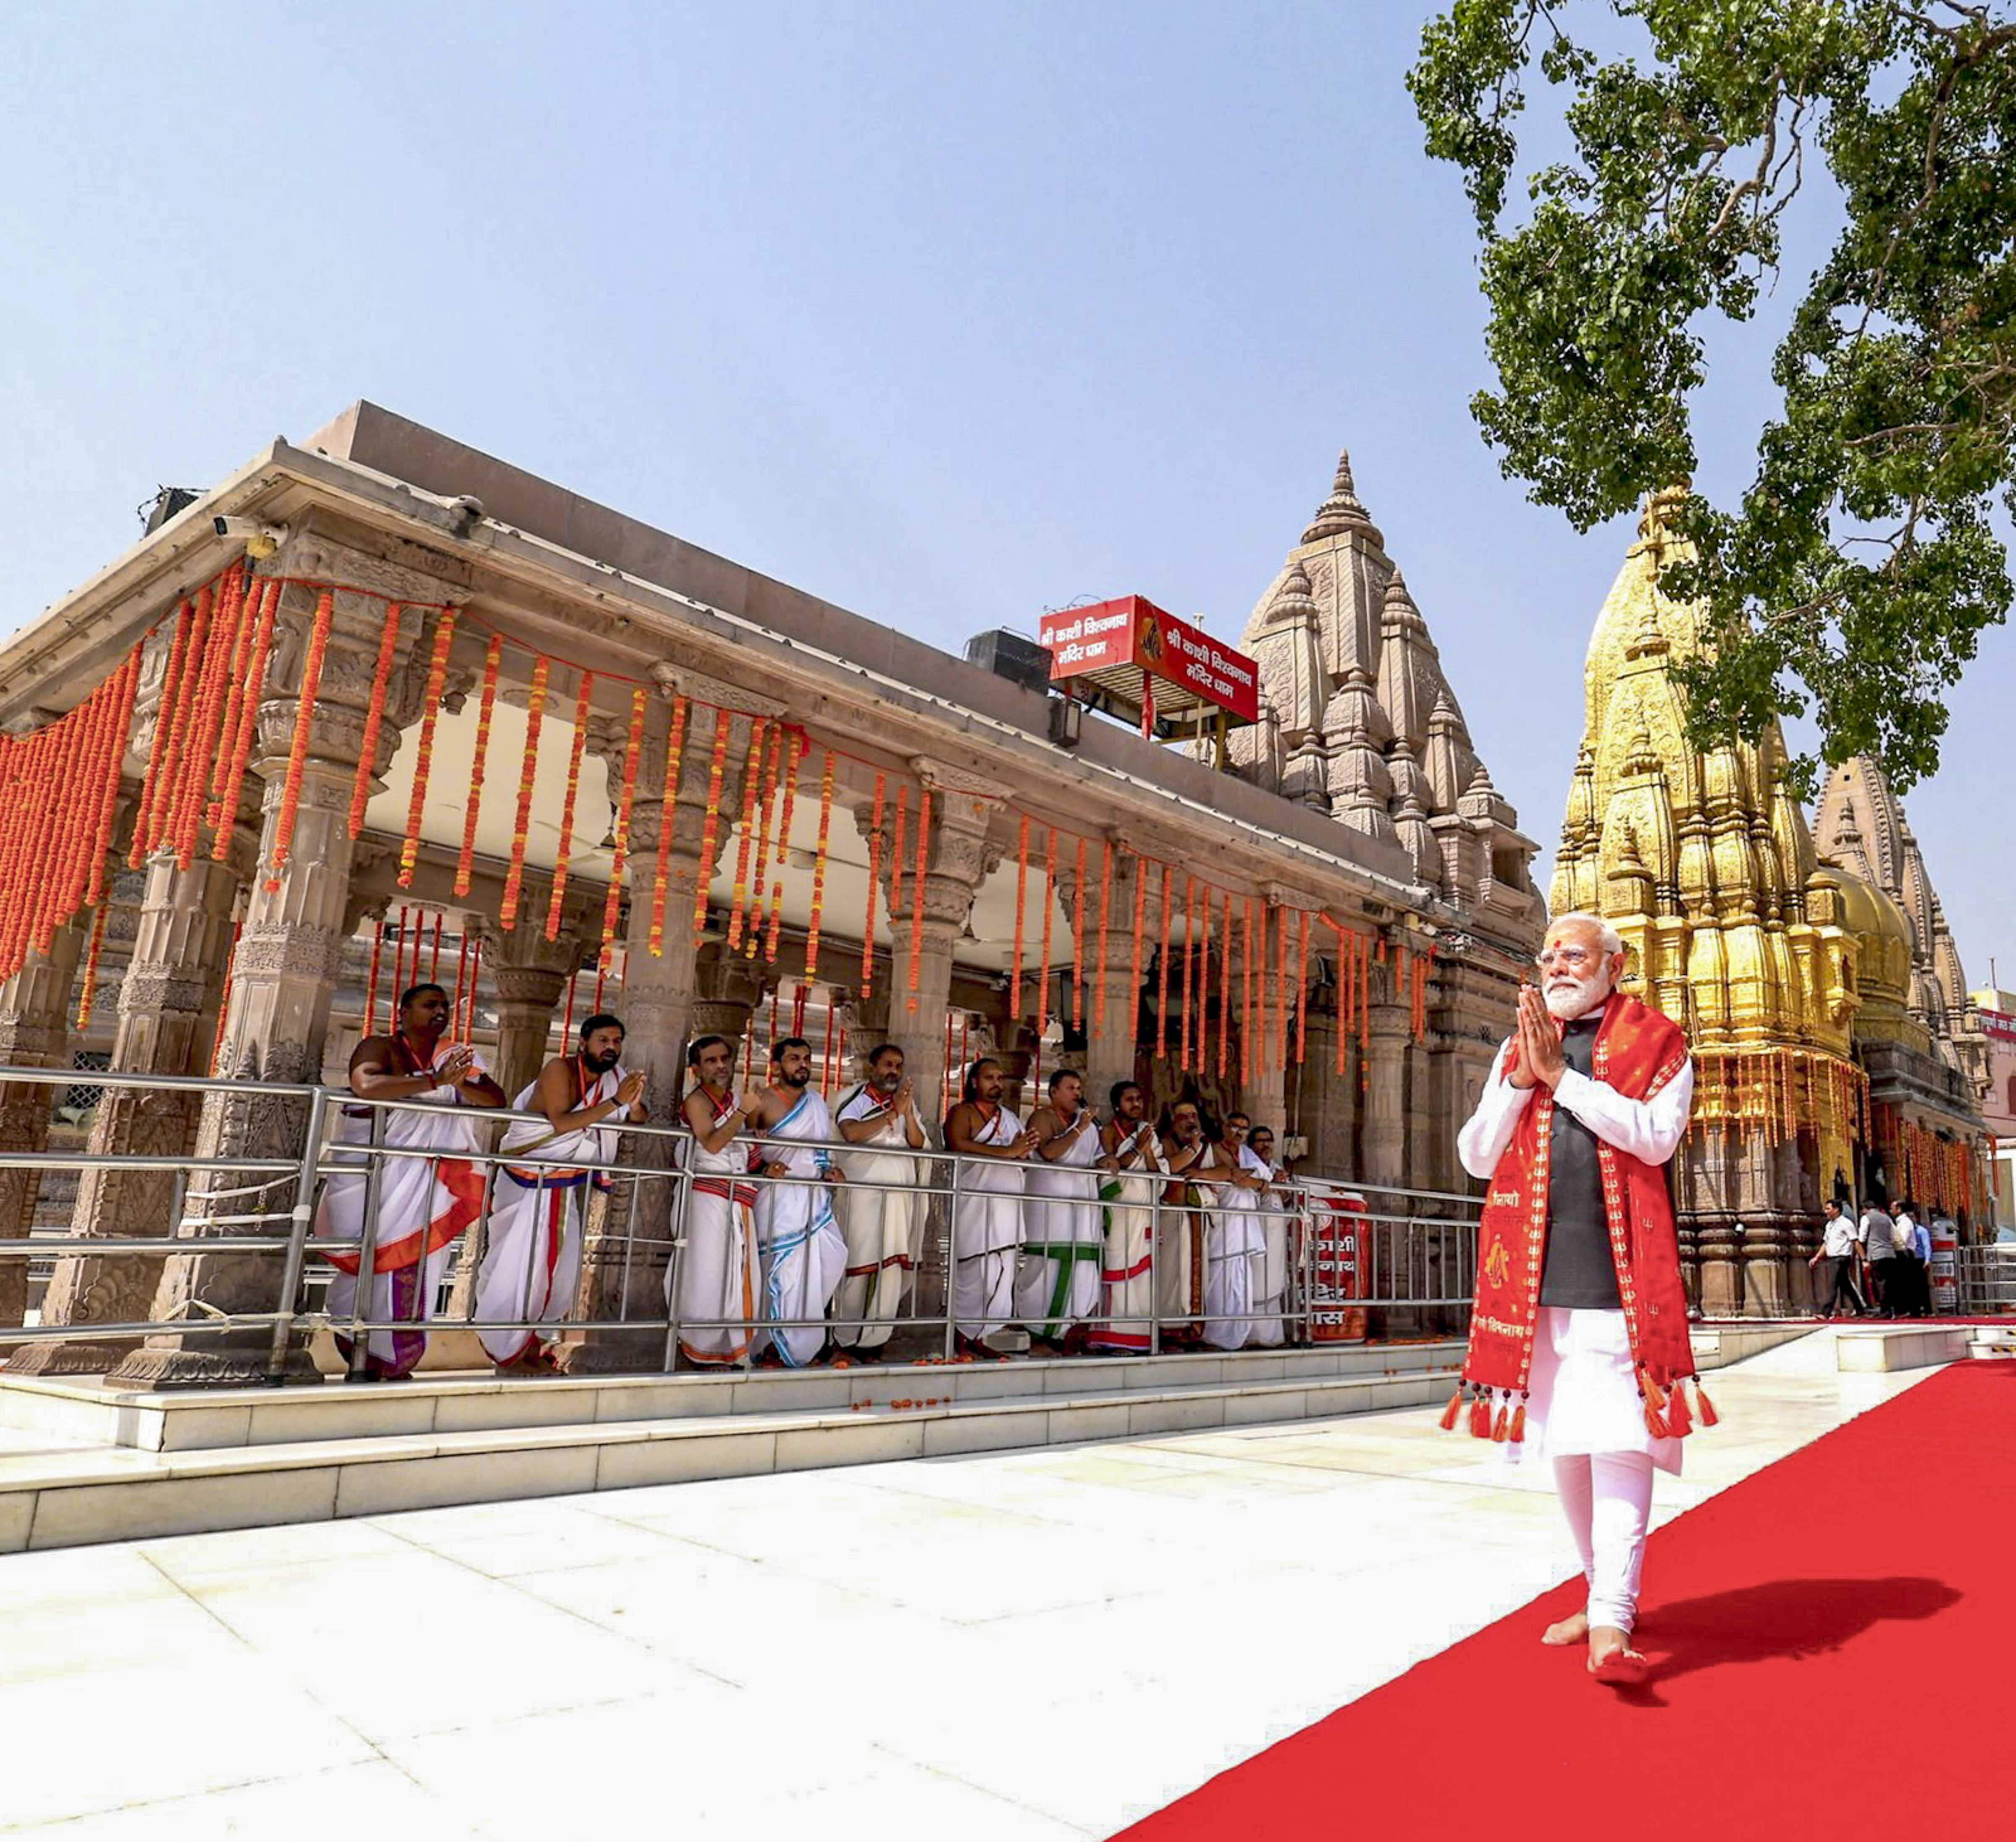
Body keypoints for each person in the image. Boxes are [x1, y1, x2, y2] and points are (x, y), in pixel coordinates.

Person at [1454, 912, 1706, 1685]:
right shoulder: (1519, 1045)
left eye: (1573, 955)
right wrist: (1521, 1082)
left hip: (1617, 1275)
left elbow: (1655, 1138)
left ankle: (1612, 1618)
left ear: (1613, 965)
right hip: (1530, 1279)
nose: (1558, 966)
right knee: (1564, 1437)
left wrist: (1564, 1081)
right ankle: (1603, 1595)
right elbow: (1476, 1156)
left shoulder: (1660, 1043)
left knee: (1619, 1436)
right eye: (1549, 956)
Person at [315, 983, 506, 1380]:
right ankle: (360, 1352)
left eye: (444, 1006)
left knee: (420, 1265)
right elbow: (366, 1085)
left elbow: (496, 1100)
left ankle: (396, 1359)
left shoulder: (454, 1055)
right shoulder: (379, 1046)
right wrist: (434, 1082)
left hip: (425, 1183)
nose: (440, 1012)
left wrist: (457, 1082)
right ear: (403, 1012)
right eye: (429, 1005)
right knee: (368, 1256)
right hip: (377, 1174)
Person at [473, 1014, 645, 1373]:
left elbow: (637, 1119)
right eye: (603, 1040)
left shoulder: (614, 1079)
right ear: (583, 1043)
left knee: (558, 1271)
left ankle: (533, 1350)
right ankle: (508, 1354)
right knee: (520, 1266)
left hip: (563, 1183)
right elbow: (562, 1123)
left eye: (616, 1041)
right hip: (529, 1178)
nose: (611, 1047)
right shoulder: (559, 1070)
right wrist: (617, 1102)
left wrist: (633, 1101)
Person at [745, 1036, 848, 1368]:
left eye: (806, 1058)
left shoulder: (816, 1102)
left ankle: (801, 1346)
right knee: (781, 1272)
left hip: (814, 1198)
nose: (803, 1065)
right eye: (794, 1059)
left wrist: (829, 1170)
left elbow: (820, 1150)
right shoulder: (762, 1100)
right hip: (777, 1197)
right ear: (777, 1065)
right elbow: (744, 1149)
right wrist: (764, 1167)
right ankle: (772, 1346)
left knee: (830, 1258)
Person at [830, 1043, 930, 1359]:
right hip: (863, 1197)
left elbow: (919, 1145)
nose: (894, 1071)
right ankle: (845, 1339)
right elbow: (851, 1133)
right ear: (873, 1067)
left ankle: (875, 1340)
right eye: (888, 1065)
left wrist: (907, 1114)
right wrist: (892, 1114)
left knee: (890, 1268)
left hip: (898, 1198)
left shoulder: (903, 1103)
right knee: (860, 1264)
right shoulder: (853, 1098)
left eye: (899, 1066)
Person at [671, 1034, 765, 1367]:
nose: (721, 1066)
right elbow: (712, 1145)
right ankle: (700, 1348)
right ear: (696, 1069)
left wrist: (754, 1130)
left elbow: (742, 1149)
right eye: (711, 1060)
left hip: (736, 1195)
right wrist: (744, 1111)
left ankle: (732, 1349)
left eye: (725, 1059)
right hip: (708, 1197)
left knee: (736, 1270)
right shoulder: (698, 1101)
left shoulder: (733, 1100)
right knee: (707, 1272)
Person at [944, 1057, 1034, 1358]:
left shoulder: (1010, 1118)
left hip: (1007, 1205)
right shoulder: (963, 1112)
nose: (997, 1083)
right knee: (975, 1271)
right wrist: (1008, 1152)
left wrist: (1023, 1151)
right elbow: (958, 1144)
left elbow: (1021, 1155)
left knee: (1002, 1272)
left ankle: (980, 1336)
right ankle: (960, 1337)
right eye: (989, 1078)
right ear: (974, 1082)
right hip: (974, 1204)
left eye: (1000, 1078)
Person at [1016, 1069, 1106, 1353]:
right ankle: (1036, 1334)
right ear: (1054, 1091)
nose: (1077, 1093)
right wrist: (1080, 1128)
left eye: (1079, 1088)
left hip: (1081, 1205)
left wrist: (1109, 1161)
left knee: (1081, 1268)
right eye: (1071, 1088)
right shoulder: (1042, 1117)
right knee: (1046, 1267)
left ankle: (1062, 1336)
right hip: (1050, 1206)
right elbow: (1049, 1153)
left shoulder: (1087, 1124)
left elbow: (1097, 1156)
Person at [1090, 1081, 1169, 1354]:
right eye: (1129, 1100)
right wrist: (1136, 1148)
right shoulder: (1108, 1131)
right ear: (1116, 1105)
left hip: (1144, 1213)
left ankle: (1140, 1339)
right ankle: (1112, 1339)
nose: (1136, 1104)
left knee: (1142, 1279)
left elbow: (1159, 1175)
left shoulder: (1147, 1134)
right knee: (1117, 1272)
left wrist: (1147, 1151)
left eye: (1139, 1099)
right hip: (1119, 1213)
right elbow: (1110, 1168)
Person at [1156, 1099, 1221, 1346]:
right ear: (1173, 1122)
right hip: (1171, 1217)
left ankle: (1192, 1329)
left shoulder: (1207, 1147)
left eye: (1194, 1116)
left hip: (1196, 1219)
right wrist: (1192, 1150)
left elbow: (1225, 1171)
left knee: (1195, 1274)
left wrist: (1203, 1174)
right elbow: (1169, 1170)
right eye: (1184, 1117)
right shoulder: (1165, 1143)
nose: (1190, 1121)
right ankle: (1169, 1330)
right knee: (1171, 1274)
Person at [1247, 1125, 1293, 1346]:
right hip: (1255, 1233)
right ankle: (1253, 1336)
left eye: (1269, 1141)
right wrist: (1269, 1183)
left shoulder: (1278, 1168)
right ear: (1252, 1145)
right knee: (1256, 1283)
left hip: (1275, 1236)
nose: (1266, 1145)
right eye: (1261, 1141)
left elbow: (1287, 1201)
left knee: (1274, 1281)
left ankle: (1273, 1338)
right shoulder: (1248, 1167)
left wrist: (1281, 1187)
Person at [1807, 1197, 1866, 1319]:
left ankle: (1826, 1312)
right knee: (1846, 1285)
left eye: (1828, 1209)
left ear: (1837, 1210)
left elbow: (1855, 1241)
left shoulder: (1846, 1223)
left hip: (1842, 1257)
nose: (1826, 1212)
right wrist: (1817, 1257)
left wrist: (1863, 1259)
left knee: (1832, 1284)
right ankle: (1860, 1308)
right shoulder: (1830, 1225)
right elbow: (1826, 1243)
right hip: (1832, 1257)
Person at [1859, 1197, 1898, 1316]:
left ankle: (1884, 1309)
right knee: (1889, 1283)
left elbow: (1862, 1238)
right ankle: (1891, 1308)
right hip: (1890, 1253)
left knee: (1879, 1282)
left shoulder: (1867, 1218)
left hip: (1876, 1254)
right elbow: (1894, 1236)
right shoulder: (1887, 1218)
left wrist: (1864, 1257)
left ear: (1865, 1209)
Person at [1891, 1200, 1929, 1317]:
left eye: (1893, 1209)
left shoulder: (1906, 1223)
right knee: (1905, 1283)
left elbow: (1903, 1240)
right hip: (1903, 1253)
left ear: (1899, 1210)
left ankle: (1914, 1310)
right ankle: (1909, 1309)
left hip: (1906, 1254)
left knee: (1910, 1283)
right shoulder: (1899, 1222)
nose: (1891, 1211)